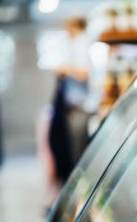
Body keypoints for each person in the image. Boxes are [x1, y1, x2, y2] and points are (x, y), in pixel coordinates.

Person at [52, 16, 93, 173]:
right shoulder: (79, 44)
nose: (66, 31)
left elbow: (83, 73)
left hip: (79, 107)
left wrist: (65, 69)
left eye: (67, 27)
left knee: (78, 154)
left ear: (74, 26)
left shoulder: (81, 43)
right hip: (77, 106)